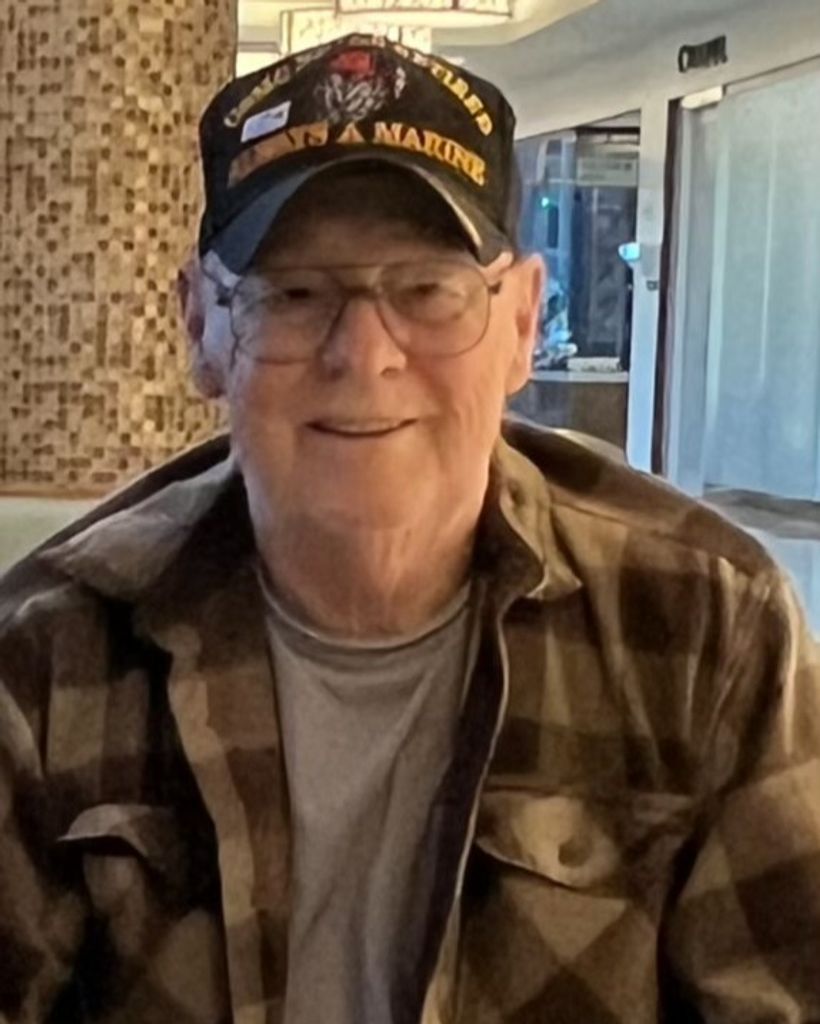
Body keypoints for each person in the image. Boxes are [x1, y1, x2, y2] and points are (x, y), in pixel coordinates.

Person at [1, 33, 819, 1024]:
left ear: (522, 322)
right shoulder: (48, 654)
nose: (364, 354)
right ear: (202, 329)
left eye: (427, 291)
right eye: (294, 295)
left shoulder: (709, 634)